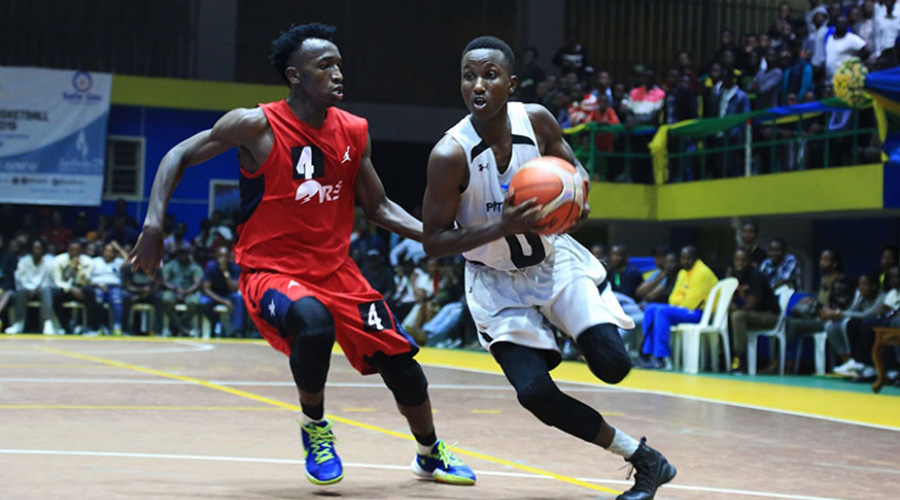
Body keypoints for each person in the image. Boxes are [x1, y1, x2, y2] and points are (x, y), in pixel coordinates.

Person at [127, 23, 474, 487]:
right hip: (270, 272)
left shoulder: (353, 131)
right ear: (295, 75)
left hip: (338, 273)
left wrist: (441, 237)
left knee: (402, 366)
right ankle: (316, 428)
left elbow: (378, 207)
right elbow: (177, 155)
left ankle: (429, 453)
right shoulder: (255, 125)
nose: (338, 73)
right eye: (325, 65)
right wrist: (154, 223)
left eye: (339, 65)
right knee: (313, 323)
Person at [421, 36, 675, 500]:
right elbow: (434, 242)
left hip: (554, 263)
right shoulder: (449, 154)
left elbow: (576, 175)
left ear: (512, 83)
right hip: (496, 285)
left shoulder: (536, 121)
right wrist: (502, 225)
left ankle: (568, 321)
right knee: (535, 394)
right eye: (469, 76)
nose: (478, 85)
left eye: (490, 75)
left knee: (614, 366)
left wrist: (577, 200)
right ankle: (644, 460)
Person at [641, 246, 718, 369]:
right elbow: (673, 298)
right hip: (685, 311)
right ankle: (648, 354)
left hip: (700, 313)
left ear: (695, 259)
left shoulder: (702, 273)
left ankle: (663, 358)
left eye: (688, 259)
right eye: (683, 259)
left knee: (662, 311)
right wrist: (682, 299)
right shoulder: (682, 273)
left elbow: (691, 304)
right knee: (650, 308)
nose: (685, 262)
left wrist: (681, 299)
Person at [729, 248, 780, 373]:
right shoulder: (735, 276)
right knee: (726, 316)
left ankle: (740, 360)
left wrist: (739, 297)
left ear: (750, 261)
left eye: (743, 260)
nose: (740, 263)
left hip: (769, 315)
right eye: (737, 260)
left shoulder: (757, 276)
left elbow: (751, 305)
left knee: (738, 316)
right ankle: (724, 357)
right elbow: (729, 300)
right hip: (751, 315)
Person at [6, 239, 56, 335]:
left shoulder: (50, 260)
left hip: (43, 288)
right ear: (31, 249)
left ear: (43, 249)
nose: (37, 250)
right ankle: (19, 323)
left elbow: (50, 278)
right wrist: (29, 288)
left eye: (39, 248)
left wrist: (38, 288)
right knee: (21, 291)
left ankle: (47, 323)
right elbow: (20, 278)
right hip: (27, 288)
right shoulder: (24, 261)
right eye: (35, 248)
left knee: (46, 291)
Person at [200, 245, 243, 337]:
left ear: (229, 257)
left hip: (228, 294)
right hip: (214, 295)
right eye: (220, 256)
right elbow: (206, 289)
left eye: (225, 256)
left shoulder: (234, 267)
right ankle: (212, 327)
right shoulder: (210, 267)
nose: (222, 259)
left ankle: (237, 330)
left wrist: (225, 273)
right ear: (216, 257)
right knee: (203, 302)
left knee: (238, 298)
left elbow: (235, 288)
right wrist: (223, 301)